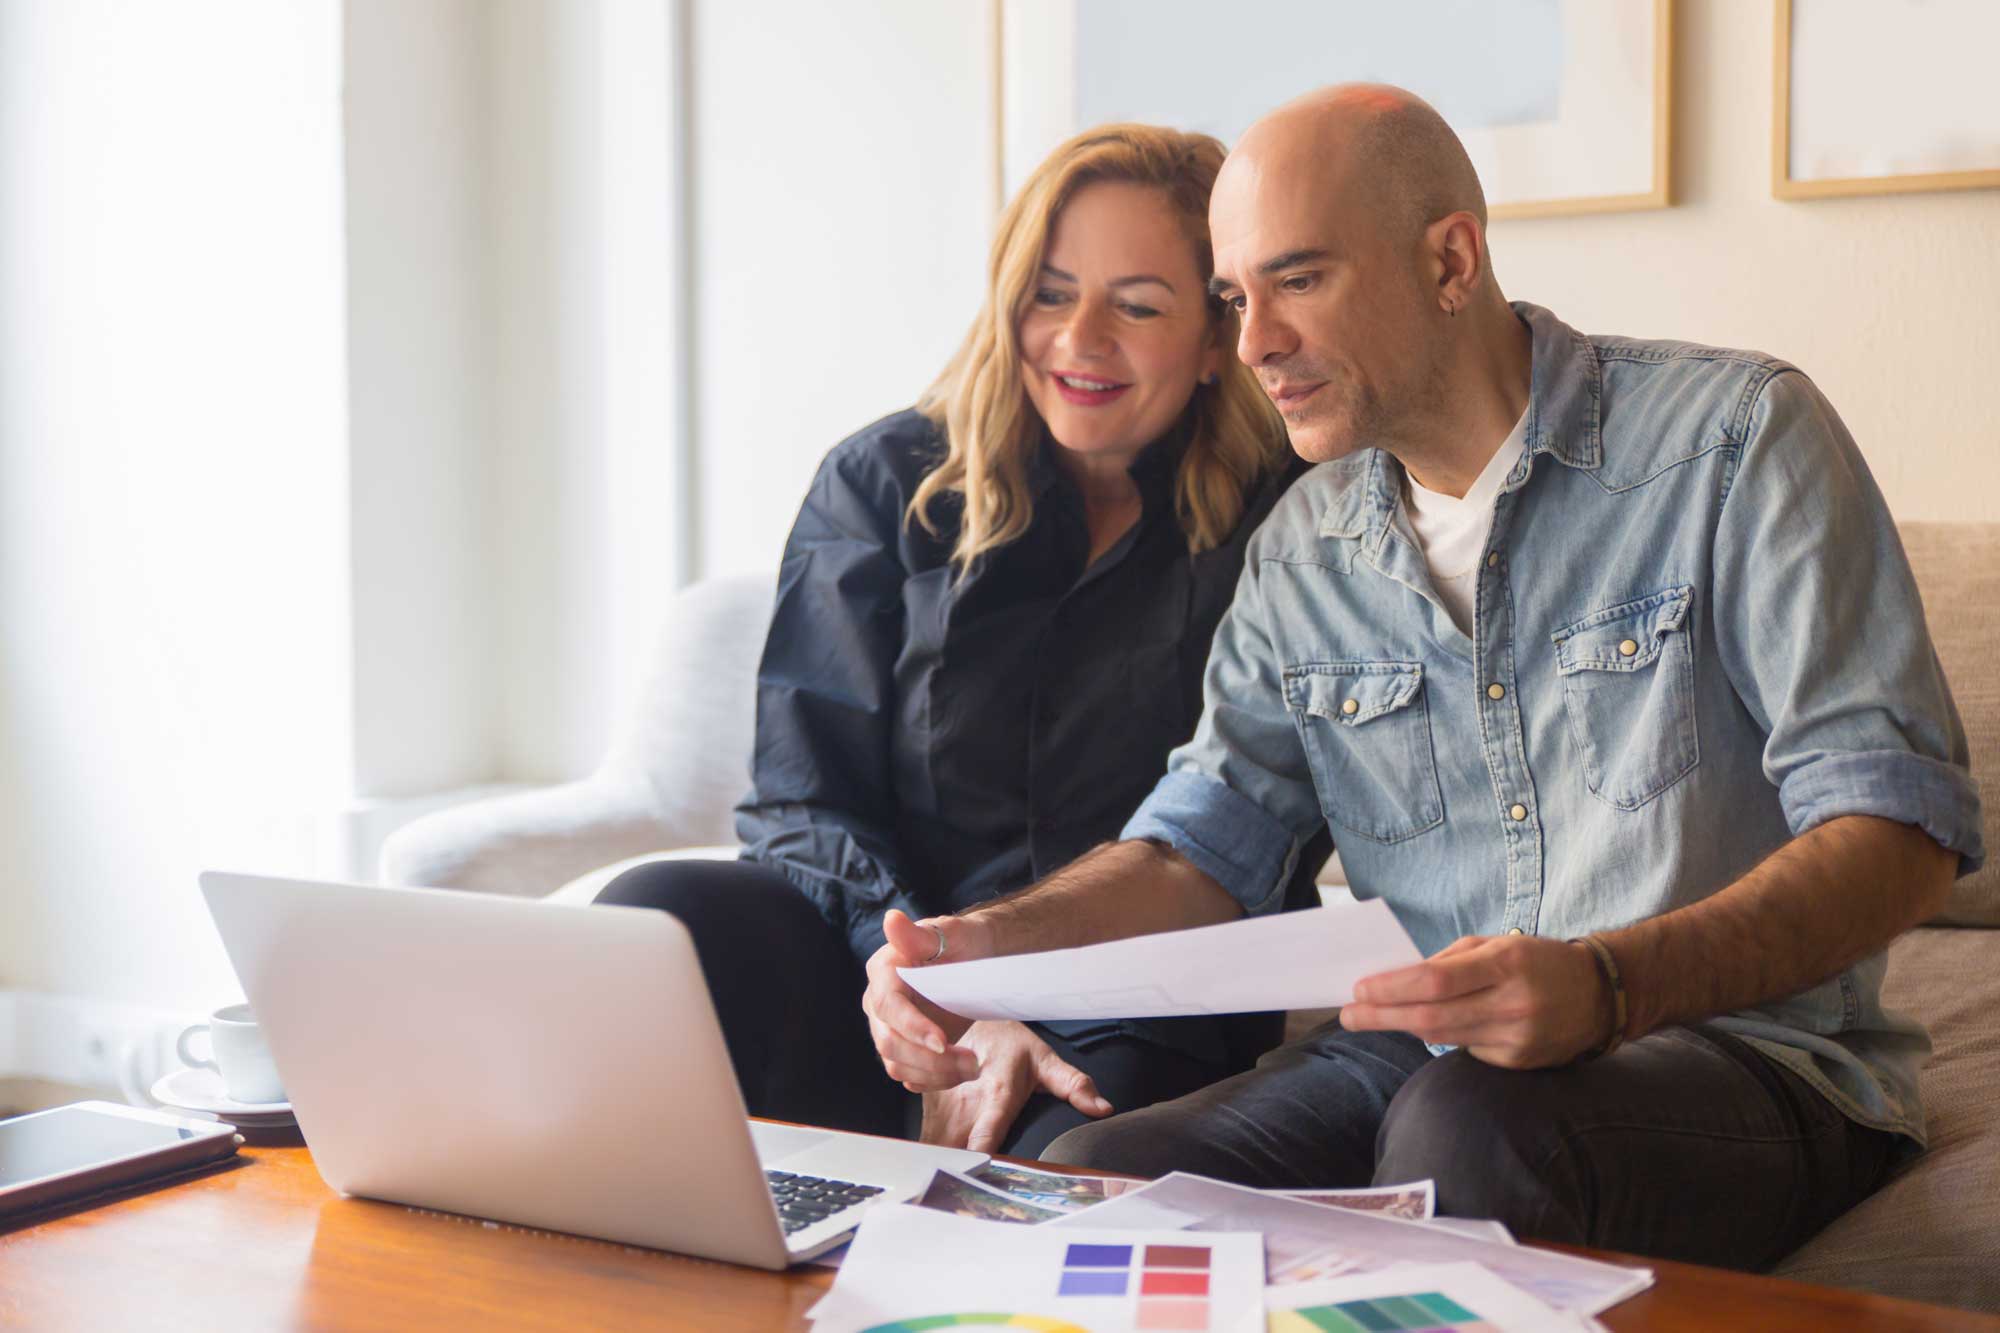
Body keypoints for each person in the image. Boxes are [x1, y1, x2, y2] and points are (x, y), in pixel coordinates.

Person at [861, 85, 1985, 1269]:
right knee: (1091, 1189)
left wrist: (1605, 985)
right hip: (1413, 1059)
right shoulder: (1301, 547)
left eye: (1295, 282)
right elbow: (1199, 848)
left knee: (1466, 1132)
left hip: (1744, 1056)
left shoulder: (1735, 441)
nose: (1250, 348)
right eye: (1236, 299)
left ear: (1450, 260)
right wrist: (978, 944)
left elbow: (1896, 830)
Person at [596, 123, 1315, 1159]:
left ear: (1214, 337)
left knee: (1066, 1171)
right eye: (1050, 292)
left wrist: (1006, 992)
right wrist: (921, 977)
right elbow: (801, 799)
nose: (1078, 339)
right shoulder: (883, 481)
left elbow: (1251, 832)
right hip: (882, 976)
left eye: (1138, 305)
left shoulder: (1288, 519)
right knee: (655, 911)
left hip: (1140, 991)